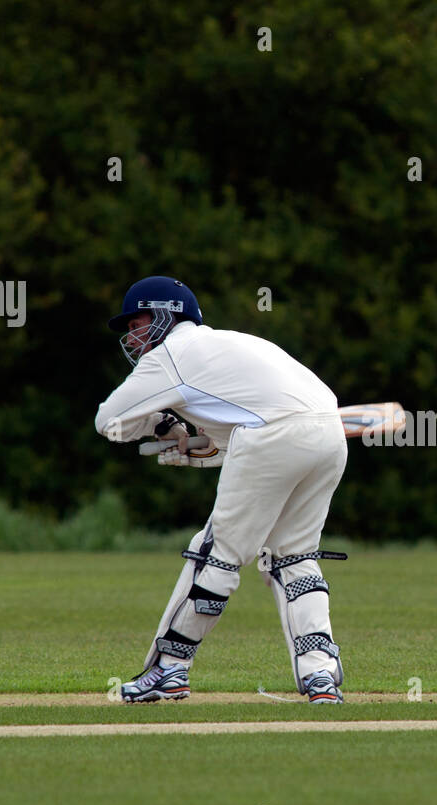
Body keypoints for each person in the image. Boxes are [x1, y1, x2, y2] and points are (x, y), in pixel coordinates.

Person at [94, 276, 349, 703]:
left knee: (216, 557)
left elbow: (110, 421)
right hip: (329, 431)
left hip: (273, 435)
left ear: (163, 316)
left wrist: (165, 425)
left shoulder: (169, 358)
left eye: (137, 323)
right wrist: (196, 442)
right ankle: (320, 674)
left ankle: (169, 669)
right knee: (294, 556)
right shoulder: (230, 344)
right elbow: (239, 427)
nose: (132, 336)